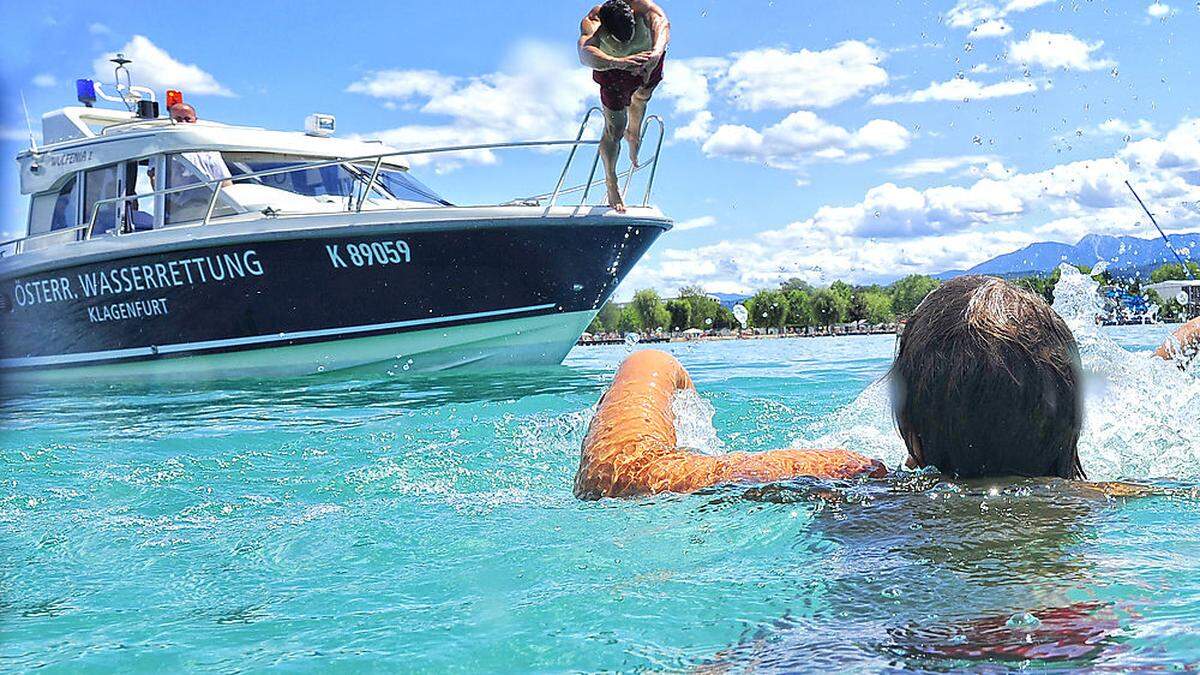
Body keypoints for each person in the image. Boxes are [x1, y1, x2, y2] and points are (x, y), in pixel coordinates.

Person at [574, 276, 1200, 499]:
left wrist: (651, 362)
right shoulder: (1133, 496)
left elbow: (624, 473)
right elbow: (1152, 374)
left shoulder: (855, 481)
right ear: (1079, 418)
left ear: (910, 431)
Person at [579, 0, 669, 213]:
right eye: (620, 38)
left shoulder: (644, 8)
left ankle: (634, 134)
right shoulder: (593, 22)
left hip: (648, 58)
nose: (626, 40)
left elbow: (663, 26)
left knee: (643, 96)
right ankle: (611, 181)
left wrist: (654, 56)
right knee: (615, 129)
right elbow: (584, 53)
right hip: (612, 69)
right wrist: (617, 61)